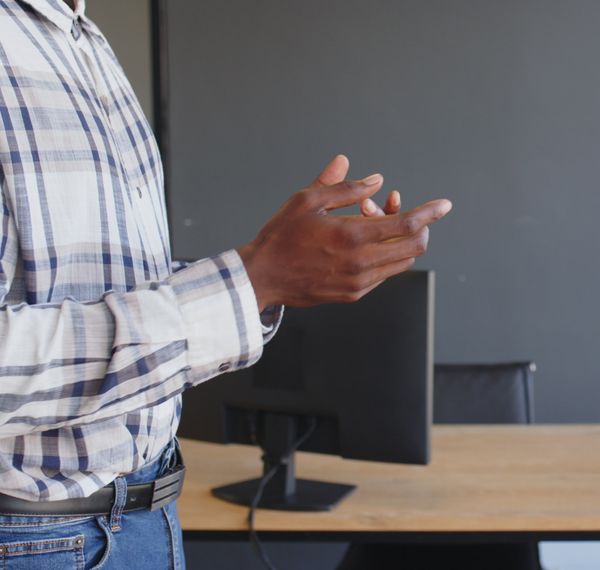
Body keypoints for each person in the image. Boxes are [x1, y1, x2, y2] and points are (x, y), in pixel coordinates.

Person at [0, 0, 452, 567]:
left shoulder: (80, 38)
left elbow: (109, 286)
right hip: (33, 539)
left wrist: (276, 269)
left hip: (145, 516)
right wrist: (252, 282)